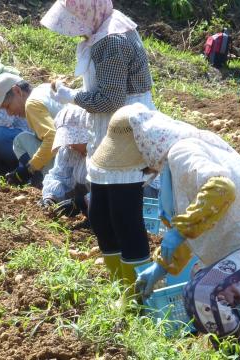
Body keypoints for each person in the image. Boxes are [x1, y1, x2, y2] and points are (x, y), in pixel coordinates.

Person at [94, 103, 240, 359]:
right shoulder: (175, 159)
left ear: (143, 144)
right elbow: (196, 227)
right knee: (203, 282)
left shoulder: (182, 152)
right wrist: (162, 265)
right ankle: (239, 351)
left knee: (204, 292)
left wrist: (178, 231)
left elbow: (221, 189)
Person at [41, 0, 155, 286]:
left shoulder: (111, 41)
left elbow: (111, 99)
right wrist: (76, 93)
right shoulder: (109, 27)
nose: (78, 33)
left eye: (77, 23)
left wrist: (72, 97)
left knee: (124, 215)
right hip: (109, 129)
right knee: (100, 213)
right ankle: (122, 285)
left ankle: (140, 292)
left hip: (123, 131)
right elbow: (107, 88)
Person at [0, 73, 63, 188]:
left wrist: (29, 169)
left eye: (7, 106)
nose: (9, 113)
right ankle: (38, 180)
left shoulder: (31, 105)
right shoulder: (43, 89)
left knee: (19, 142)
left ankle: (49, 184)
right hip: (78, 152)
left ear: (18, 91)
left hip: (69, 159)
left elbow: (52, 138)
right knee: (21, 139)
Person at [40, 104, 90, 217]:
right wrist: (50, 197)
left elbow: (113, 191)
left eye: (73, 139)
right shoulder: (68, 149)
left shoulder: (104, 151)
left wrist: (82, 202)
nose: (70, 144)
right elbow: (58, 175)